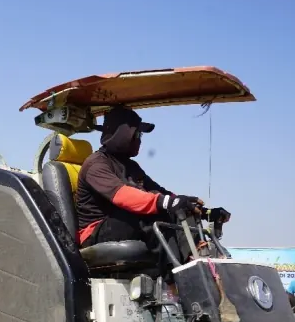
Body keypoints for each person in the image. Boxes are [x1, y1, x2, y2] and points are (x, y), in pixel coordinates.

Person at [75, 106, 230, 251]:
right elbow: (123, 196)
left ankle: (198, 258)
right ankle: (178, 272)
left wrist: (200, 211)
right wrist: (167, 203)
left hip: (122, 223)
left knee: (167, 210)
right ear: (121, 135)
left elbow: (159, 192)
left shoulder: (131, 166)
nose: (140, 140)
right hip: (95, 232)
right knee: (149, 214)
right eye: (137, 134)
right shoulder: (96, 164)